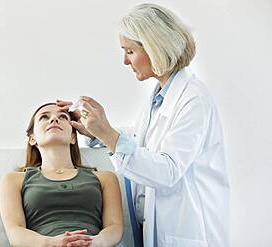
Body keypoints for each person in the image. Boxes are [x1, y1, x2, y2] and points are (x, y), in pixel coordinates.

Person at [57, 3, 230, 247]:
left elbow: (167, 170)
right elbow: (141, 138)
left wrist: (107, 134)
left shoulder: (193, 98)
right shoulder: (160, 95)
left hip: (189, 231)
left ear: (154, 48)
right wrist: (94, 129)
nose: (125, 62)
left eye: (129, 51)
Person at [0, 103, 123, 247]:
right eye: (44, 117)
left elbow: (114, 227)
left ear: (73, 137)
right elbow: (15, 233)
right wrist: (52, 243)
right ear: (32, 138)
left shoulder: (105, 178)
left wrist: (94, 243)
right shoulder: (13, 180)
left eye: (62, 117)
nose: (54, 120)